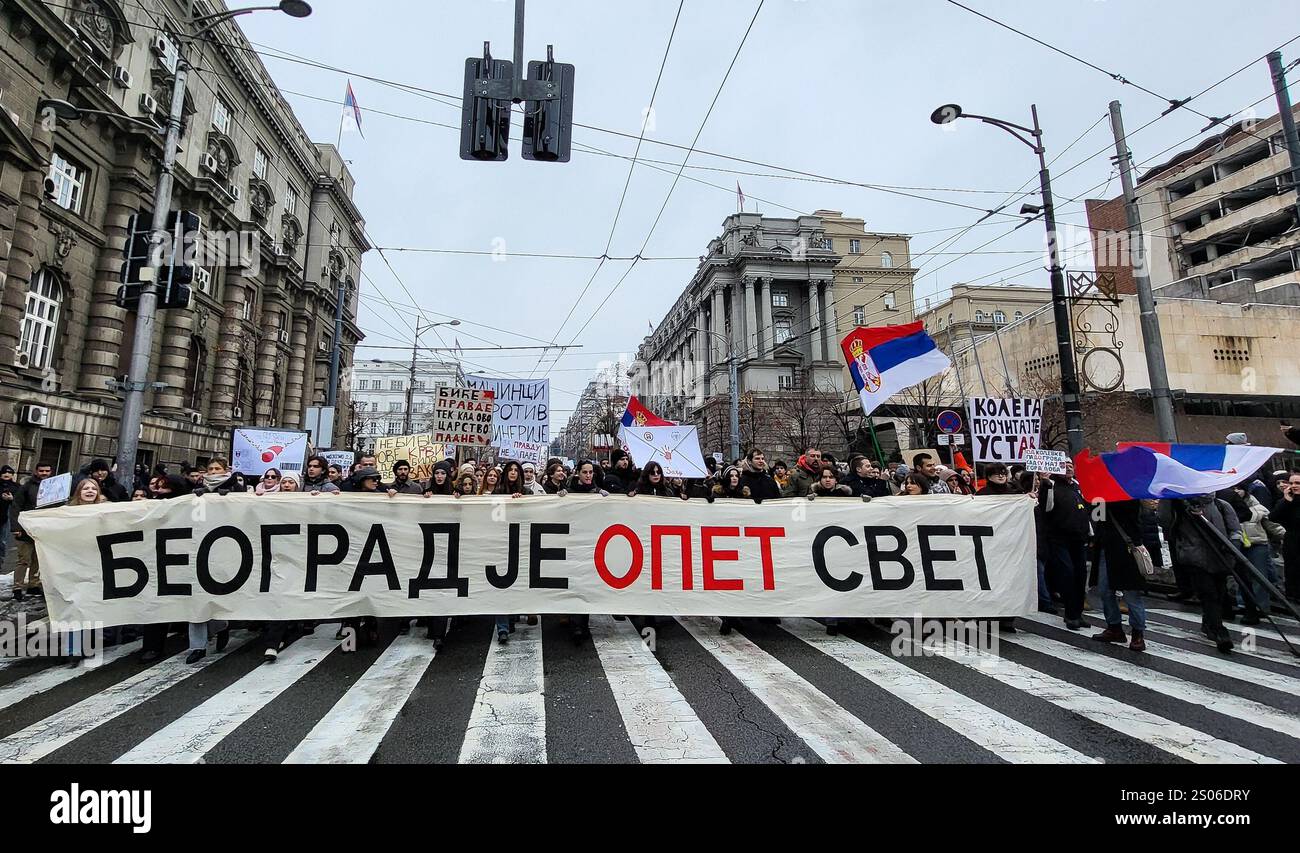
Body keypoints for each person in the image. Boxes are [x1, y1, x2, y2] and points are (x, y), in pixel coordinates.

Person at [1160, 494, 1241, 652]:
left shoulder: (1222, 505)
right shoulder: (1181, 505)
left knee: (1218, 593)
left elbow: (1235, 529)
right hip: (1195, 558)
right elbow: (1165, 521)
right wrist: (1168, 498)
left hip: (1221, 558)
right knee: (1208, 593)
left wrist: (1233, 548)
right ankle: (1219, 632)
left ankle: (1208, 623)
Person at [187, 459, 239, 663]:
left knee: (220, 594)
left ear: (225, 470)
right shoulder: (196, 489)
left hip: (226, 548)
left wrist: (230, 499)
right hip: (198, 548)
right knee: (196, 599)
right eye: (210, 469)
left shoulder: (237, 487)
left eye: (218, 469)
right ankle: (197, 646)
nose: (214, 472)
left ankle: (220, 625)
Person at [1089, 500, 1149, 651]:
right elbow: (1097, 517)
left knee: (1131, 593)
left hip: (1127, 547)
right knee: (1104, 590)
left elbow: (1135, 520)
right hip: (1106, 547)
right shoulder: (1100, 495)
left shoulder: (1129, 493)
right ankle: (1114, 627)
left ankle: (1137, 633)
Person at [1039, 468, 1091, 630]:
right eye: (1063, 464)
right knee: (1067, 573)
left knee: (1080, 574)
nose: (1068, 467)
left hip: (1079, 538)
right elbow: (1046, 508)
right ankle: (1070, 614)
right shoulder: (1051, 485)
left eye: (1070, 464)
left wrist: (1089, 532)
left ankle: (1078, 612)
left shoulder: (1077, 485)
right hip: (1059, 538)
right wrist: (1045, 484)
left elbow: (1086, 509)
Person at [10, 463, 52, 601]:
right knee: (24, 560)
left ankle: (33, 584)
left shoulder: (53, 487)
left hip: (43, 529)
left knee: (37, 559)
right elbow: (16, 506)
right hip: (25, 529)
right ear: (36, 471)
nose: (44, 473)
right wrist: (16, 527)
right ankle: (17, 587)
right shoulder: (27, 487)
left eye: (47, 471)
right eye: (42, 471)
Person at [1270, 471, 1300, 605]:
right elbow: (1273, 517)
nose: (1293, 486)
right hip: (1292, 542)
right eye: (1291, 483)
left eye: (1297, 483)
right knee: (1293, 572)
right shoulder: (1286, 501)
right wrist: (1287, 501)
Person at [0, 465, 16, 574]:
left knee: (2, 542)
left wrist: (12, 499)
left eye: (9, 472)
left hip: (5, 518)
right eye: (5, 472)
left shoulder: (16, 487)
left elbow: (20, 502)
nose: (7, 474)